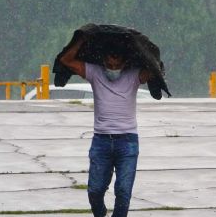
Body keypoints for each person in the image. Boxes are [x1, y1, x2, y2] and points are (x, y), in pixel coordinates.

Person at [60, 38, 151, 217]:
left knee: (123, 192)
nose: (112, 68)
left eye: (116, 64)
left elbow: (155, 68)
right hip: (101, 141)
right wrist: (82, 38)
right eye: (109, 64)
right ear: (103, 61)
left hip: (127, 142)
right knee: (94, 191)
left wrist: (138, 45)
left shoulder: (134, 75)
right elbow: (66, 60)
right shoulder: (95, 73)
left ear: (125, 63)